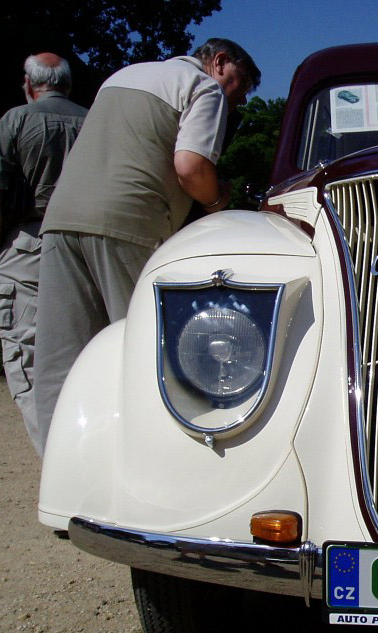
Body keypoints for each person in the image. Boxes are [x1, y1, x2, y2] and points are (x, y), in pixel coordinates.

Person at [34, 38, 260, 454]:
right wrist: (216, 201)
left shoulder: (122, 76)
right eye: (241, 85)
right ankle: (149, 461)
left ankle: (60, 465)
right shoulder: (202, 87)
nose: (239, 99)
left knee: (60, 359)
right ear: (219, 62)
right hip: (129, 221)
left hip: (61, 217)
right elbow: (191, 167)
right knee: (142, 351)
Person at [0, 53, 87, 455]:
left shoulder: (14, 120)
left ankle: (61, 466)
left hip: (29, 249)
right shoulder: (93, 121)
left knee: (28, 363)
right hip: (88, 251)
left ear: (29, 84)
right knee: (82, 366)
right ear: (68, 84)